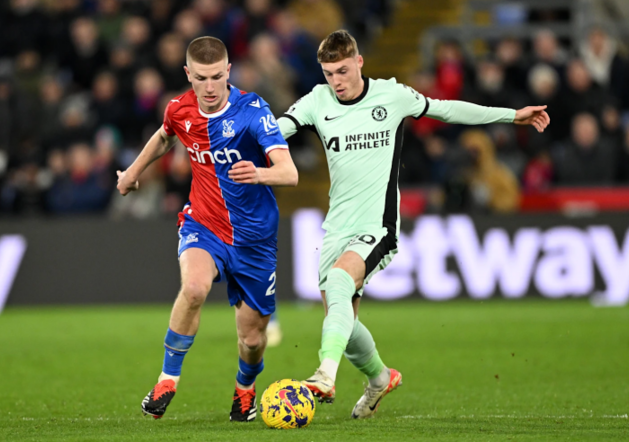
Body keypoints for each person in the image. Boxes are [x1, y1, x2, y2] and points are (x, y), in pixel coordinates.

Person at [277, 30, 550, 419]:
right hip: (336, 225)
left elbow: (448, 110)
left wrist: (511, 116)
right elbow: (275, 131)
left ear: (359, 62)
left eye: (341, 70)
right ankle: (380, 377)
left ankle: (324, 374)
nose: (335, 81)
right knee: (343, 319)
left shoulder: (391, 95)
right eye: (327, 73)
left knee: (339, 282)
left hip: (378, 223)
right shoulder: (317, 101)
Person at [116, 36, 298, 422]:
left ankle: (244, 391)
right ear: (188, 75)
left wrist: (260, 173)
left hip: (255, 240)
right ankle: (167, 379)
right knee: (194, 288)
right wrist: (133, 173)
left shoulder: (253, 111)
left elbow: (290, 172)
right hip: (204, 223)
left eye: (218, 76)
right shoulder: (180, 109)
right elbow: (165, 135)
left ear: (228, 71)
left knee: (251, 340)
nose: (211, 87)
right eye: (202, 78)